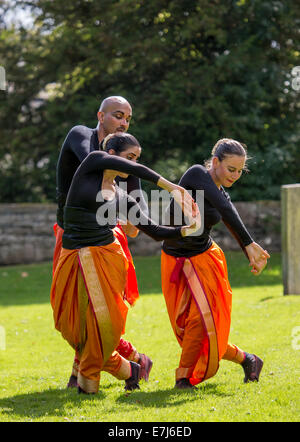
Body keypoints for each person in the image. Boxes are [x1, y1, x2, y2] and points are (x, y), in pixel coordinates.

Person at [50, 132, 199, 394]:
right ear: (111, 154)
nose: (132, 164)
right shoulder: (92, 163)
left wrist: (186, 230)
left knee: (105, 326)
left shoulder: (122, 197)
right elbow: (133, 169)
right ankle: (130, 369)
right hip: (71, 255)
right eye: (129, 157)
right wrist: (171, 187)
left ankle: (89, 382)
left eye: (136, 158)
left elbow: (154, 230)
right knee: (68, 325)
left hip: (106, 256)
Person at [53, 96, 152, 386]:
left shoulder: (127, 155)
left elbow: (137, 215)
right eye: (118, 116)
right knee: (70, 309)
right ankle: (133, 359)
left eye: (128, 119)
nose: (123, 123)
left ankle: (83, 371)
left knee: (99, 309)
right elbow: (92, 163)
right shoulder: (81, 136)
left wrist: (142, 217)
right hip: (70, 234)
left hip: (106, 238)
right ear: (100, 115)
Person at [161, 138, 270, 389]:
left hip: (203, 260)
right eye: (231, 169)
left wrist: (249, 249)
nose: (235, 175)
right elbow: (222, 206)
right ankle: (248, 359)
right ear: (216, 161)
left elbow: (229, 214)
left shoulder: (222, 193)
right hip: (173, 259)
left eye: (240, 171)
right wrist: (249, 244)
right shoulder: (196, 175)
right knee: (185, 327)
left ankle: (184, 378)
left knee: (201, 320)